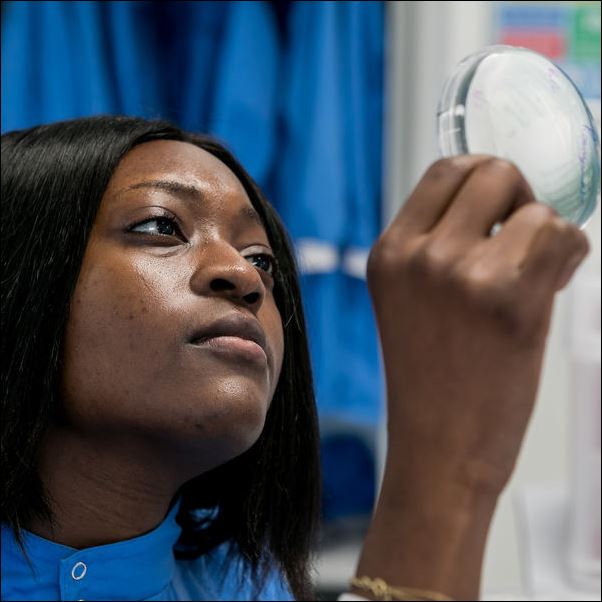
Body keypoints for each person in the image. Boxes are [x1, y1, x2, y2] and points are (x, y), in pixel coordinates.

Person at [0, 116, 589, 602]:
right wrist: (446, 467)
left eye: (262, 260)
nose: (242, 276)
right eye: (161, 226)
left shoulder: (252, 589)